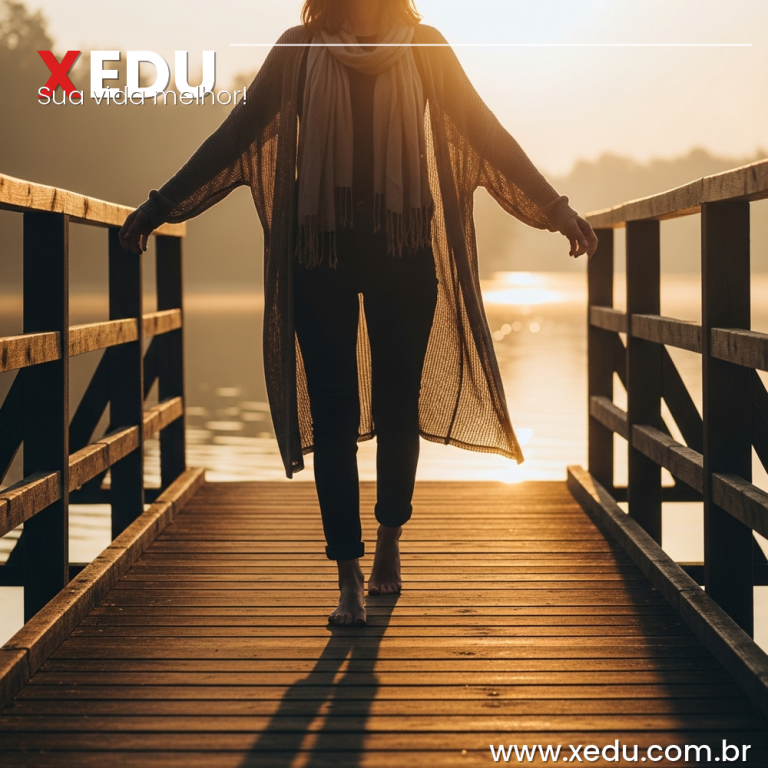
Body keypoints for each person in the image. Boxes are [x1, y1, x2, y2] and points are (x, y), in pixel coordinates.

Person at [119, 0, 598, 627]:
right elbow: (233, 139)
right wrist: (158, 207)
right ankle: (346, 573)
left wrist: (556, 210)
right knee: (334, 417)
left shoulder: (425, 46)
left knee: (399, 409)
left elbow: (485, 132)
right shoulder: (297, 48)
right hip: (321, 253)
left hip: (403, 249)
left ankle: (390, 542)